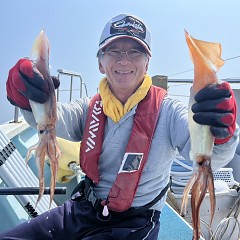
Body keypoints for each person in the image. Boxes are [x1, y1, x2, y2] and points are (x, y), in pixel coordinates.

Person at [1, 13, 239, 240]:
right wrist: (27, 97)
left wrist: (221, 132)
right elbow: (53, 122)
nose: (124, 60)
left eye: (135, 52)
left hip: (135, 223)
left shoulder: (169, 111)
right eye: (113, 51)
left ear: (147, 64)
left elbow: (213, 155)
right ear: (100, 63)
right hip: (83, 209)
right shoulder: (89, 108)